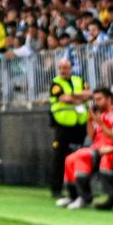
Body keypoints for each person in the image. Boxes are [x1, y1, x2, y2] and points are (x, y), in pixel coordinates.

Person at [61, 87, 113, 209]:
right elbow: (92, 136)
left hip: (110, 150)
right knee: (70, 159)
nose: (96, 102)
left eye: (99, 99)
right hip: (96, 148)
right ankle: (73, 196)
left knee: (82, 155)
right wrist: (90, 120)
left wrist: (100, 123)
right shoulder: (99, 115)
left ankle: (85, 198)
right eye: (95, 100)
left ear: (109, 99)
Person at [46, 57, 89, 206]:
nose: (63, 71)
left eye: (66, 68)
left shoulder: (78, 80)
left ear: (70, 68)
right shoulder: (56, 83)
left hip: (79, 124)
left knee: (78, 157)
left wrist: (75, 97)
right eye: (61, 68)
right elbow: (64, 98)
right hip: (62, 125)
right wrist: (79, 97)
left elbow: (88, 94)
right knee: (59, 157)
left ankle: (78, 190)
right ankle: (56, 188)